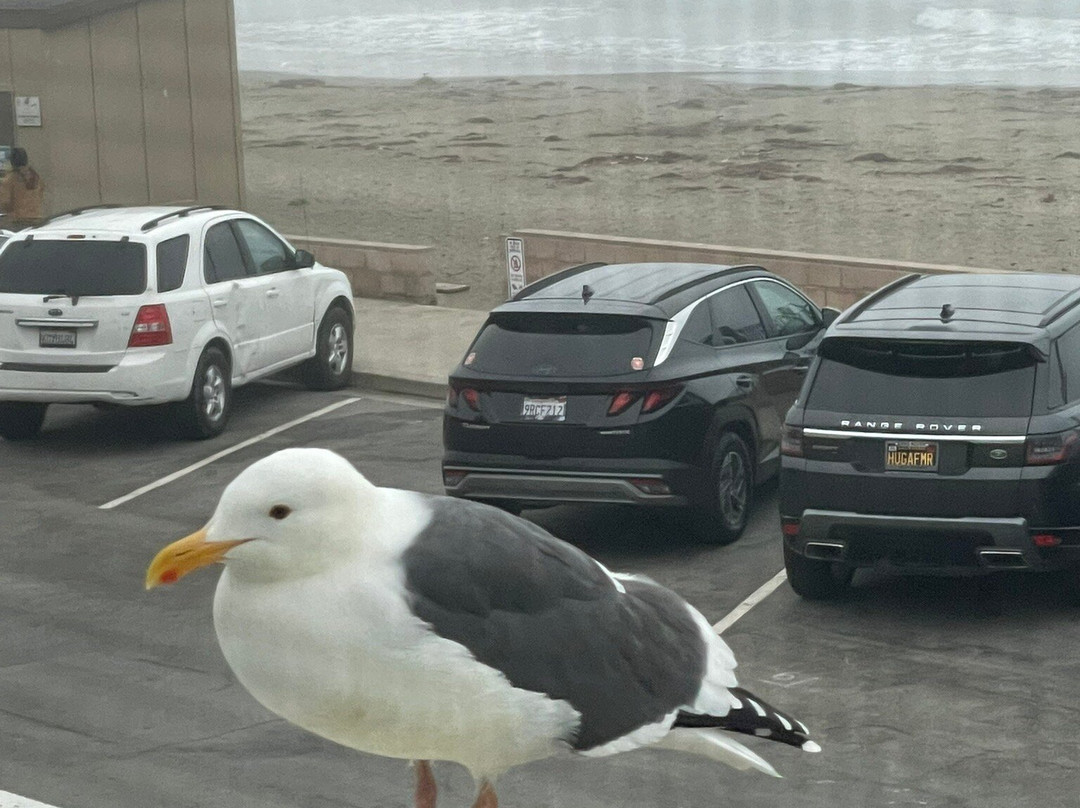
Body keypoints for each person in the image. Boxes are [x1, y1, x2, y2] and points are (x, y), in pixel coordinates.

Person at [0, 147, 44, 229]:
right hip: (37, 218)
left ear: (12, 161)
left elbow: (5, 202)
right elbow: (41, 194)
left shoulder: (10, 179)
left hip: (18, 221)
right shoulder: (36, 176)